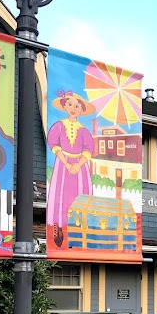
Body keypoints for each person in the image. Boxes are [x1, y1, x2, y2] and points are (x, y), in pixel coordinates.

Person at [46, 90, 95, 247]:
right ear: (64, 106)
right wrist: (67, 164)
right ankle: (58, 227)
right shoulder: (58, 126)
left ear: (81, 110)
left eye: (77, 106)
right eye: (70, 104)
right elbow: (54, 144)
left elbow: (88, 149)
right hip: (62, 164)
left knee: (79, 198)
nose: (73, 108)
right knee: (60, 196)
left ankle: (78, 231)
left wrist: (78, 165)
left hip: (80, 167)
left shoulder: (84, 130)